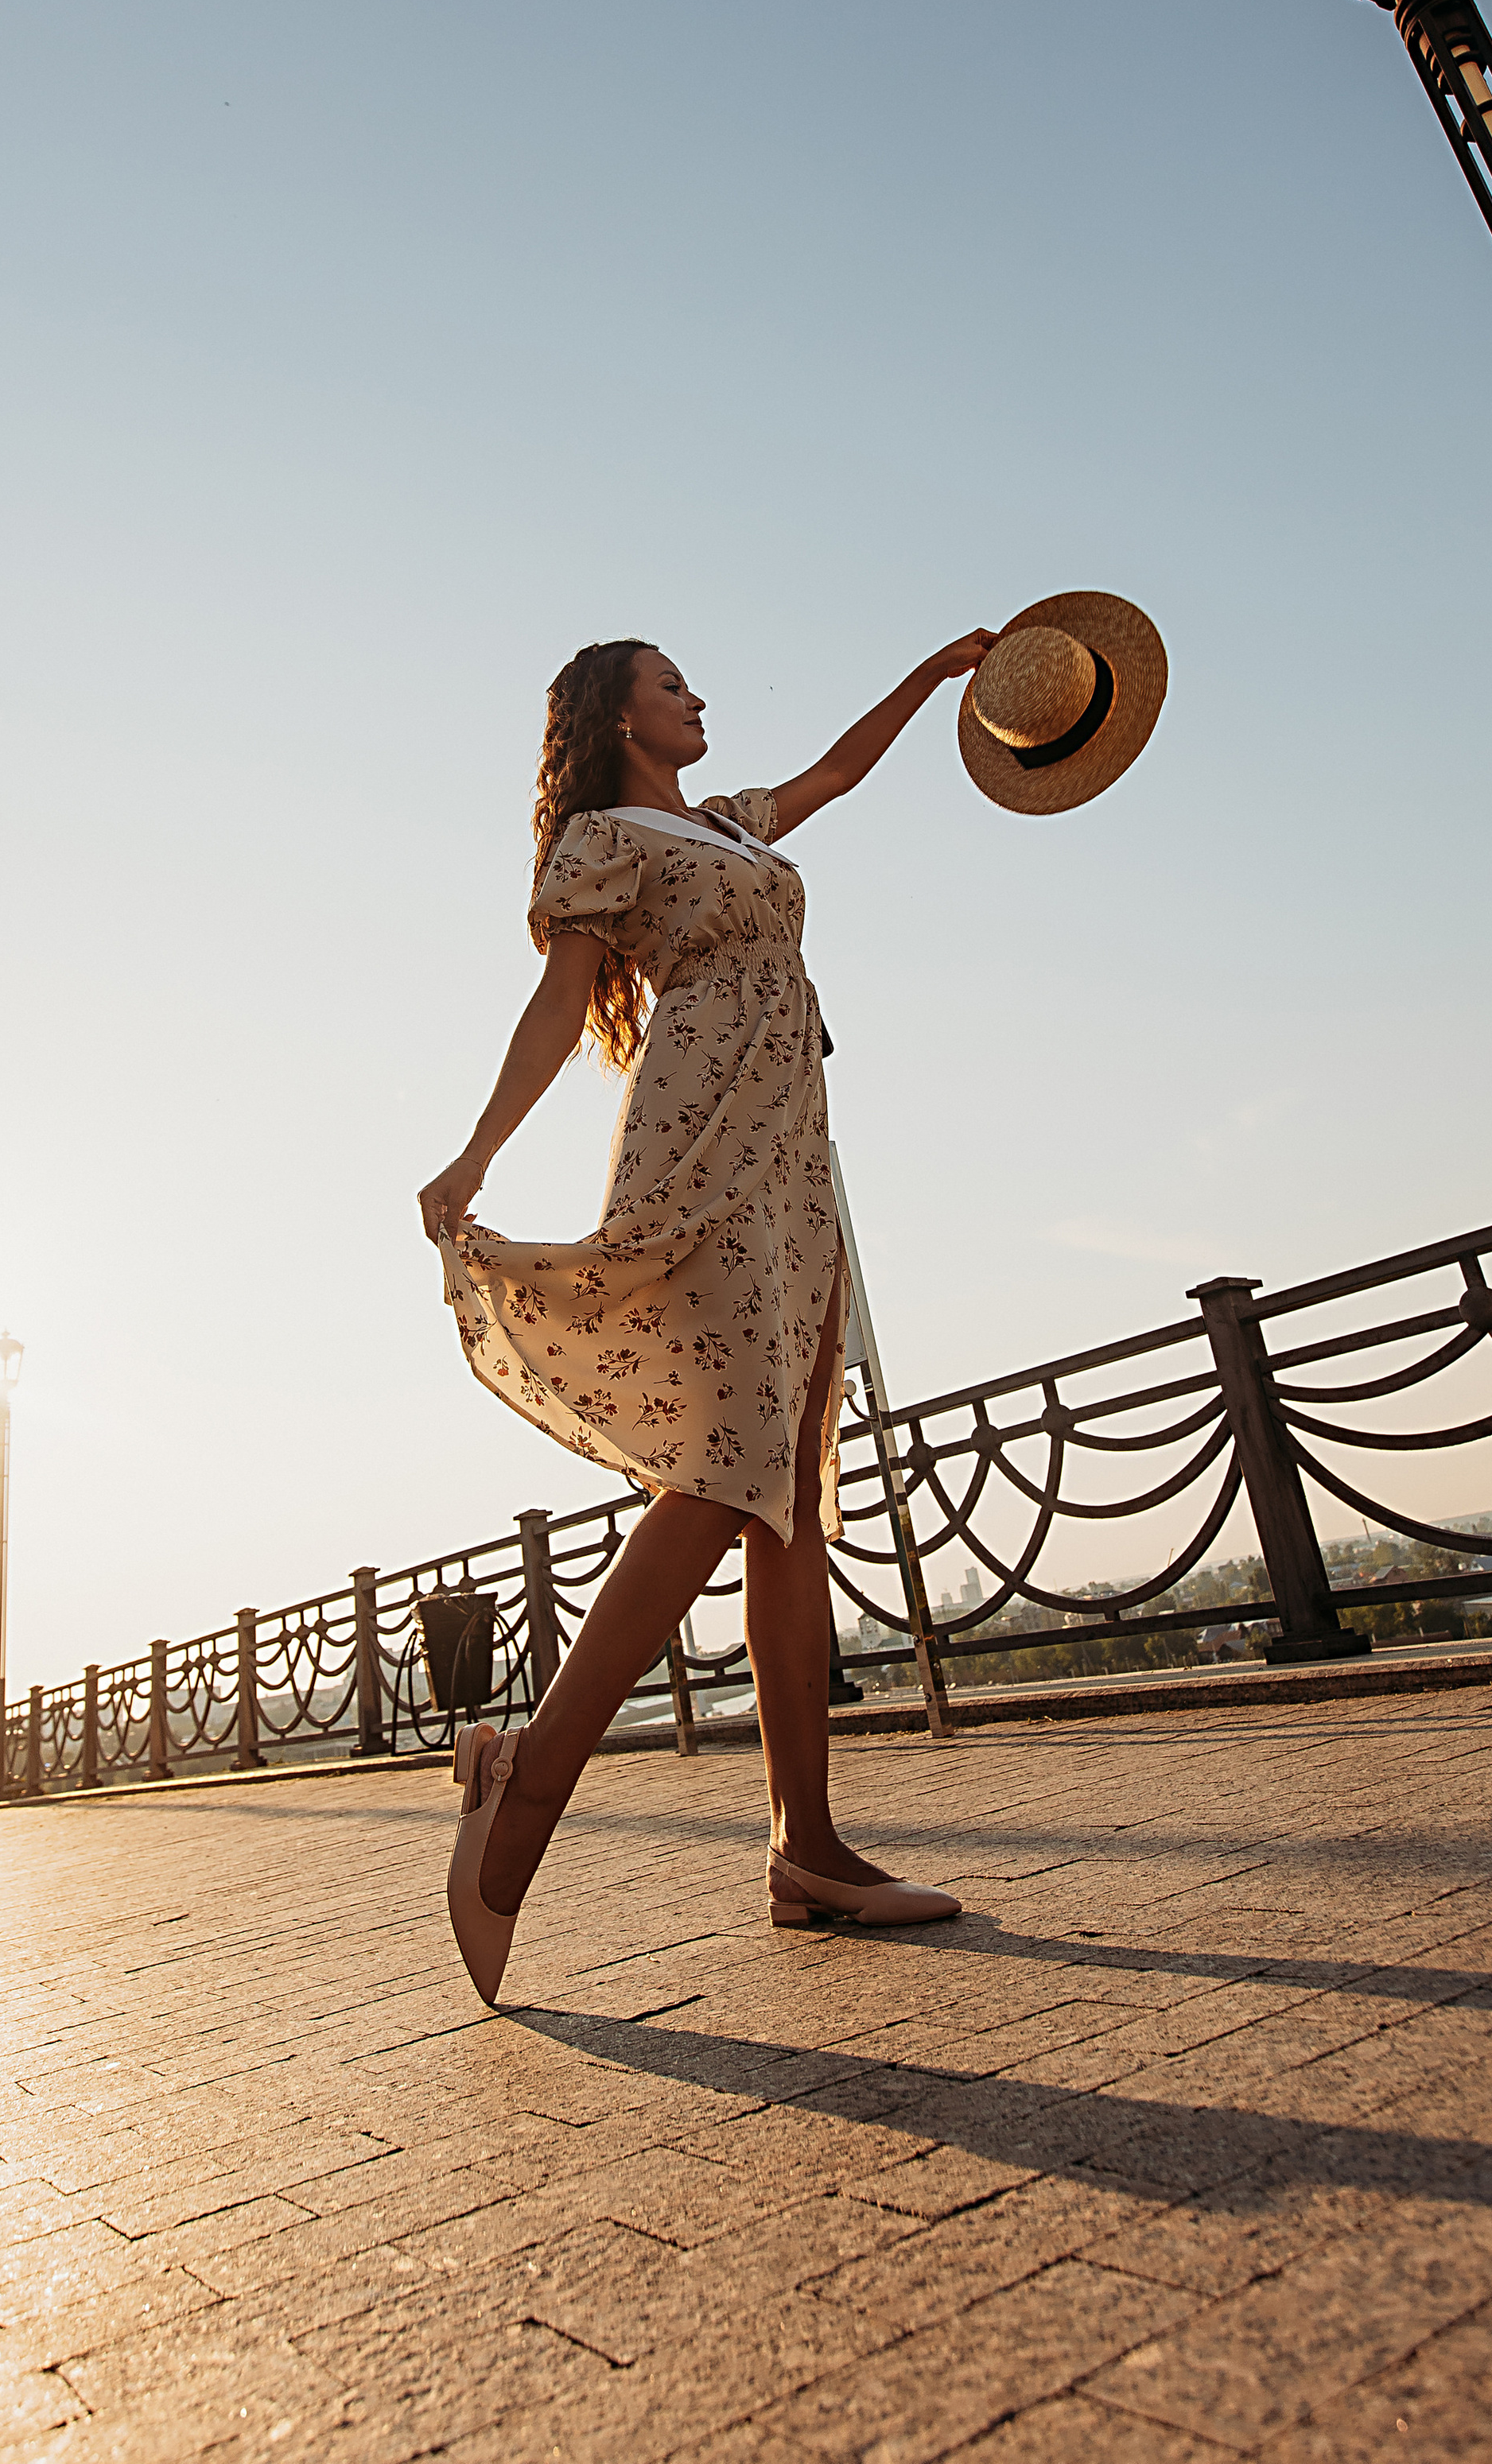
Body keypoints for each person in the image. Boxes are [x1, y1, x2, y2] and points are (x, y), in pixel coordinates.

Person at [418, 630, 995, 2002]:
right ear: (617, 715)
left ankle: (811, 1849)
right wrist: (474, 1157)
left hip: (798, 1147)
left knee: (787, 1476)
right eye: (670, 683)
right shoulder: (603, 842)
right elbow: (561, 1007)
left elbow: (841, 772)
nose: (697, 697)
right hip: (705, 1141)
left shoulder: (731, 826)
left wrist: (936, 673)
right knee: (729, 1468)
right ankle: (528, 1781)